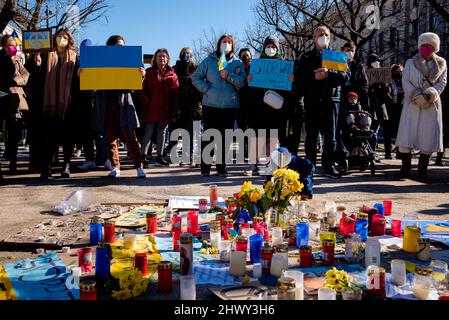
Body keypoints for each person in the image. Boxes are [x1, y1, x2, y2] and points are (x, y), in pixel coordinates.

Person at [296, 26, 350, 177]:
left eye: (326, 34)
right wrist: (313, 76)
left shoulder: (336, 56)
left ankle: (328, 165)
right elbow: (299, 78)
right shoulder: (305, 57)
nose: (323, 37)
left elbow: (345, 75)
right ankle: (310, 166)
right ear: (313, 39)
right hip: (312, 101)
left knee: (330, 136)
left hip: (331, 100)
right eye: (320, 34)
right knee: (311, 136)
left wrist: (328, 74)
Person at [27, 29, 80, 179]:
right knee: (49, 136)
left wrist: (80, 74)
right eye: (59, 36)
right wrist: (36, 63)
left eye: (64, 37)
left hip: (68, 104)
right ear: (54, 38)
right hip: (48, 103)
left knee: (68, 136)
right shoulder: (44, 54)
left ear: (69, 40)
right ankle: (47, 167)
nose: (61, 39)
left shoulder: (76, 58)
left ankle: (66, 165)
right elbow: (33, 76)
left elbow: (81, 81)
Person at [192, 34, 246, 177]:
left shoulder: (237, 63)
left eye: (229, 42)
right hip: (211, 105)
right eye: (224, 41)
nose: (226, 44)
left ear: (233, 45)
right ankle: (205, 168)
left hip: (230, 106)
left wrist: (227, 76)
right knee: (209, 136)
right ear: (218, 44)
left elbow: (241, 82)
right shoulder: (209, 61)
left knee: (225, 138)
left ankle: (221, 168)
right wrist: (206, 89)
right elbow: (196, 78)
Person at [396, 32, 447, 180]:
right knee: (407, 135)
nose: (426, 47)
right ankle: (405, 169)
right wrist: (416, 95)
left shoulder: (442, 63)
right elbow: (405, 81)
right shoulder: (410, 62)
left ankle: (422, 170)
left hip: (431, 104)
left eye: (429, 45)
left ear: (435, 47)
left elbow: (442, 82)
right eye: (423, 45)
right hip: (412, 102)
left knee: (428, 136)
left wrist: (430, 95)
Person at [95, 35, 145, 178]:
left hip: (124, 102)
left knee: (131, 136)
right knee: (110, 137)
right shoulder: (101, 60)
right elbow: (93, 80)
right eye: (118, 45)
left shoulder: (130, 59)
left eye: (122, 45)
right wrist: (84, 73)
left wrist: (141, 74)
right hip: (107, 103)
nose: (120, 48)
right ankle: (115, 167)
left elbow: (136, 83)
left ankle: (139, 167)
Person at [244, 36, 294, 176]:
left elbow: (289, 91)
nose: (271, 49)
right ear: (264, 48)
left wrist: (291, 82)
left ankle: (271, 164)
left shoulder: (284, 65)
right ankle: (252, 164)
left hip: (276, 109)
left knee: (273, 138)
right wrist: (249, 81)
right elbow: (248, 91)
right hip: (259, 107)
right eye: (269, 46)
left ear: (278, 48)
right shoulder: (257, 65)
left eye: (273, 46)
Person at [140, 48, 180, 167]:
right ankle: (143, 157)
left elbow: (176, 93)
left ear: (167, 59)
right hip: (151, 108)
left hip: (165, 109)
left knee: (162, 132)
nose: (161, 58)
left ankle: (159, 156)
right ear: (155, 59)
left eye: (164, 56)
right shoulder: (149, 72)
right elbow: (140, 90)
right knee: (148, 132)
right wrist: (147, 102)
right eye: (159, 56)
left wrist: (174, 109)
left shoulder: (173, 74)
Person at [76, 39, 109, 172]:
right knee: (86, 133)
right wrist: (77, 75)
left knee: (100, 133)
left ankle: (104, 159)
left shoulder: (101, 62)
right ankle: (90, 160)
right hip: (83, 103)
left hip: (99, 102)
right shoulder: (77, 63)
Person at [0, 34, 29, 176]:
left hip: (15, 99)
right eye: (10, 44)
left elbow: (26, 75)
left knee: (14, 132)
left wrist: (16, 80)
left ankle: (13, 164)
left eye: (14, 44)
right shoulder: (1, 58)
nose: (13, 47)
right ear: (4, 45)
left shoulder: (17, 59)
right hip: (2, 97)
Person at [366, 53, 391, 160]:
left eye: (378, 60)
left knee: (374, 132)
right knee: (369, 131)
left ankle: (372, 152)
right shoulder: (365, 72)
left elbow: (387, 91)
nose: (376, 63)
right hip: (369, 106)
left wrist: (384, 82)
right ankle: (369, 152)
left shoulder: (383, 74)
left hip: (379, 107)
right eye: (374, 61)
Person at [385, 64, 404, 160]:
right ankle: (387, 152)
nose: (399, 73)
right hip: (390, 109)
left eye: (400, 71)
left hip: (400, 109)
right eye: (396, 71)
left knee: (400, 132)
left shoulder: (403, 82)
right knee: (387, 131)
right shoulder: (388, 80)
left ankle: (399, 152)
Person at [435, 86, 448, 166]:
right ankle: (438, 158)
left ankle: (438, 158)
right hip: (444, 109)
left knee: (444, 135)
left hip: (444, 108)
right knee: (444, 135)